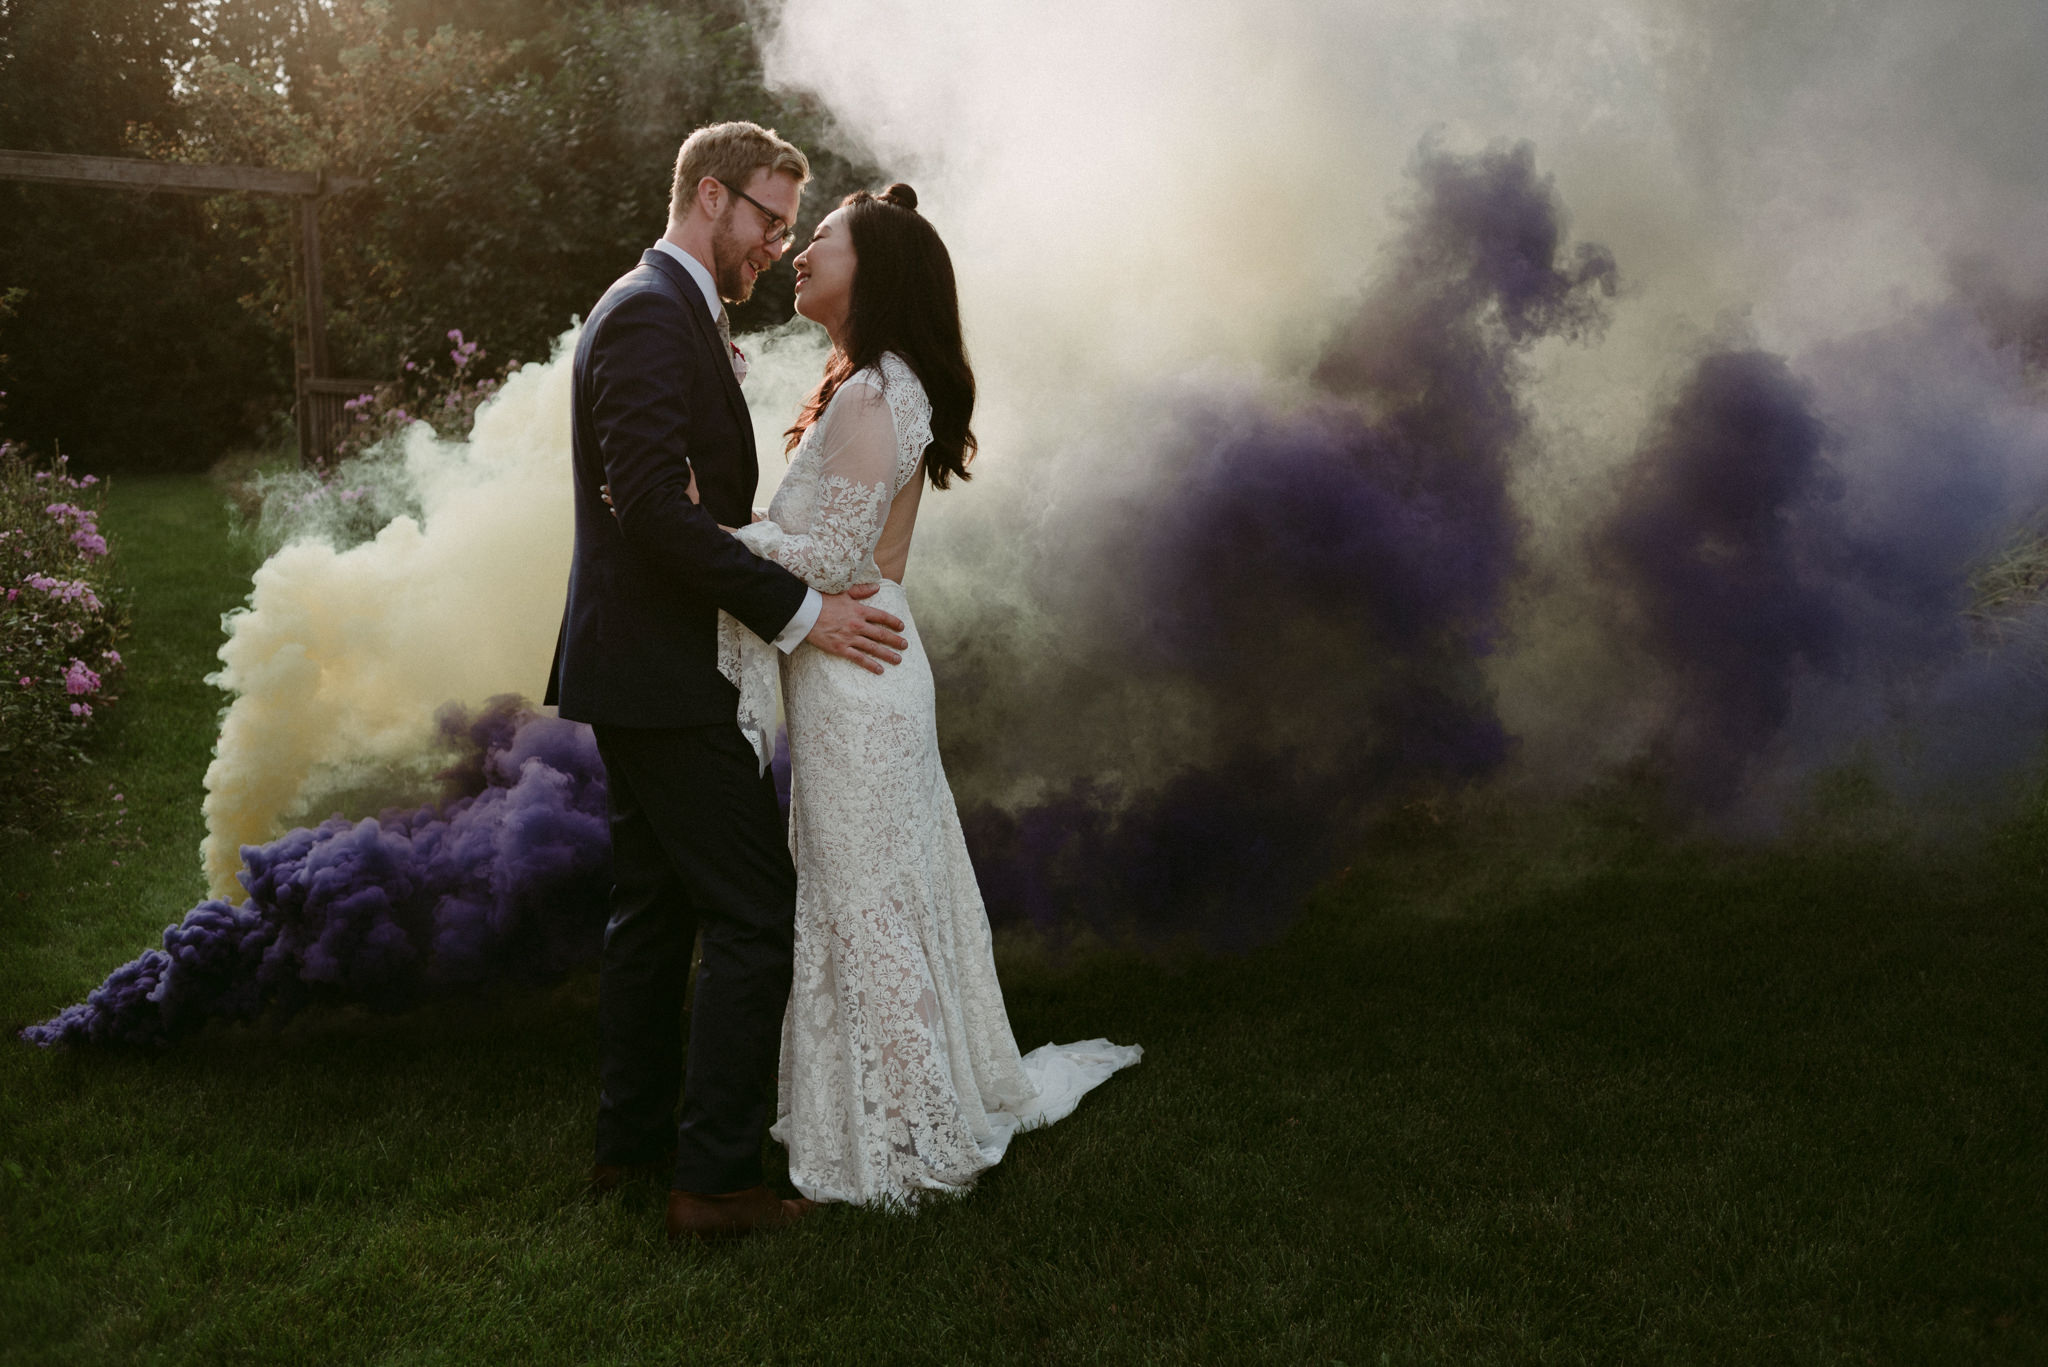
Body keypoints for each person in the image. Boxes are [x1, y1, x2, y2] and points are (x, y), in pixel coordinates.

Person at [717, 183, 1141, 1208]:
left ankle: (908, 1142)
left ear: (876, 269)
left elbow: (828, 551)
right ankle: (892, 1106)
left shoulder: (874, 392)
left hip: (857, 672)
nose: (800, 250)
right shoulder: (871, 382)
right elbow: (846, 550)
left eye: (819, 238)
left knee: (870, 906)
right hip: (857, 664)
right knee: (874, 896)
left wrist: (710, 530)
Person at [544, 121, 908, 1243]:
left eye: (791, 231)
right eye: (766, 220)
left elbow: (664, 499)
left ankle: (631, 1148)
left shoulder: (666, 310)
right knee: (755, 907)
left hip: (637, 662)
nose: (773, 247)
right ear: (710, 196)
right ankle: (713, 1181)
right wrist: (802, 615)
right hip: (662, 669)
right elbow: (652, 508)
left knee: (652, 911)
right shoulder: (654, 313)